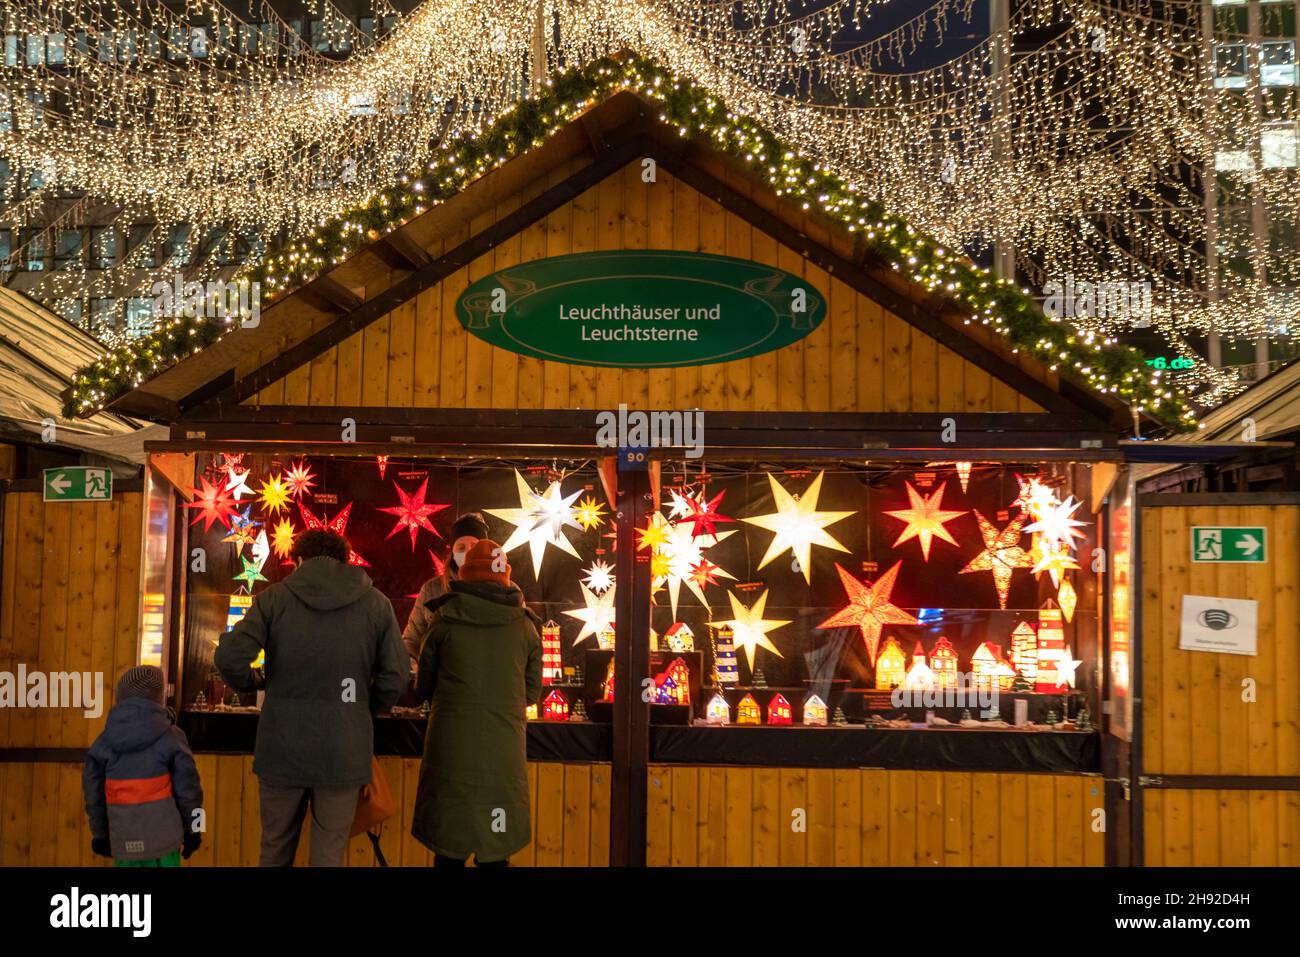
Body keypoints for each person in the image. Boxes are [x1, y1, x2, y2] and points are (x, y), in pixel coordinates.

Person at [215, 528, 408, 866]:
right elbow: (395, 677)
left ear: (299, 560)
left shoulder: (274, 598)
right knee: (328, 855)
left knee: (274, 850)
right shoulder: (376, 604)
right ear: (345, 561)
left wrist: (254, 683)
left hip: (281, 748)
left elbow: (229, 658)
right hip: (343, 751)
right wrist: (362, 709)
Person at [412, 539, 542, 867]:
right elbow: (531, 694)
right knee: (496, 845)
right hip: (503, 747)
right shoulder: (526, 626)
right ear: (505, 577)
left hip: (450, 744)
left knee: (448, 845)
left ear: (465, 576)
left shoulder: (443, 619)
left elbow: (423, 687)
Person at [83, 665, 204, 867]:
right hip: (165, 844)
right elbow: (191, 789)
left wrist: (99, 834)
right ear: (159, 699)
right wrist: (197, 828)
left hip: (124, 844)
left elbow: (93, 793)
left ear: (120, 698)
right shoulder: (173, 737)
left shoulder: (102, 743)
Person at [403, 511, 490, 667]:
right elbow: (411, 641)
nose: (468, 552)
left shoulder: (506, 590)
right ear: (453, 551)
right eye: (461, 546)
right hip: (441, 687)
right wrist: (416, 668)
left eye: (474, 546)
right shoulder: (431, 590)